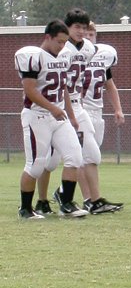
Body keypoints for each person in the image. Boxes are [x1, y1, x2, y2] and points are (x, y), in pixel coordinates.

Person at [35, 8, 121, 216]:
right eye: (77, 27)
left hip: (77, 105)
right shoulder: (62, 50)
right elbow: (53, 78)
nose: (81, 31)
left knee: (90, 154)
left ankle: (92, 200)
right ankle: (43, 200)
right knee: (49, 160)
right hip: (59, 106)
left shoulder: (89, 48)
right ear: (67, 28)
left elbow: (95, 77)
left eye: (84, 27)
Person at [15, 19, 87, 219]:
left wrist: (69, 114)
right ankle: (25, 209)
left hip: (58, 115)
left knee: (75, 157)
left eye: (65, 42)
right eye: (59, 42)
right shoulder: (33, 56)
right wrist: (52, 108)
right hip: (37, 116)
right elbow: (29, 90)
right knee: (36, 165)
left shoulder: (64, 56)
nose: (62, 46)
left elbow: (62, 86)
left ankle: (66, 205)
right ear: (48, 37)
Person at [79, 21, 125, 212]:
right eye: (85, 35)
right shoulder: (74, 56)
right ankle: (89, 199)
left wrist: (118, 109)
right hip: (80, 111)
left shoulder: (104, 55)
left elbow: (110, 85)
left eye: (92, 34)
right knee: (87, 157)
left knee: (90, 156)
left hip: (97, 111)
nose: (89, 38)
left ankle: (67, 191)